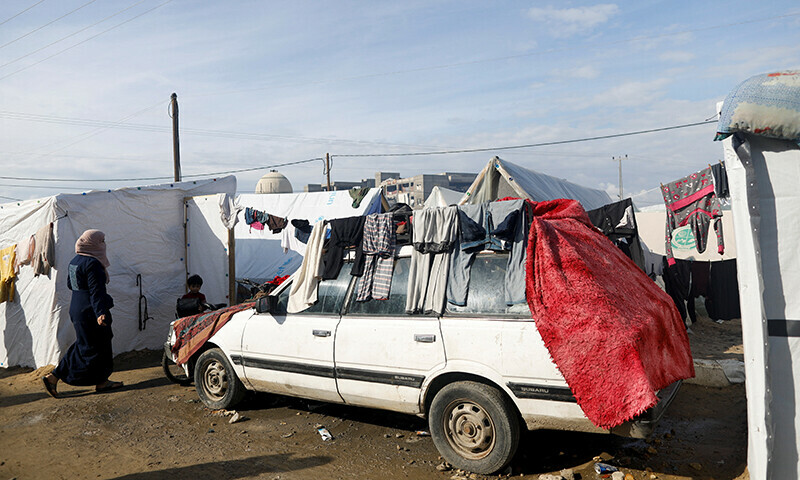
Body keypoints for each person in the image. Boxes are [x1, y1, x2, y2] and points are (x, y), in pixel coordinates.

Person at [42, 230, 122, 398]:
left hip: (77, 307)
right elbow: (96, 291)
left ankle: (99, 381)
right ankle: (56, 376)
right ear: (92, 244)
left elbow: (71, 285)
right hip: (91, 310)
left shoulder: (75, 261)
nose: (104, 245)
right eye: (102, 241)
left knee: (86, 343)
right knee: (98, 344)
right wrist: (100, 312)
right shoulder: (93, 263)